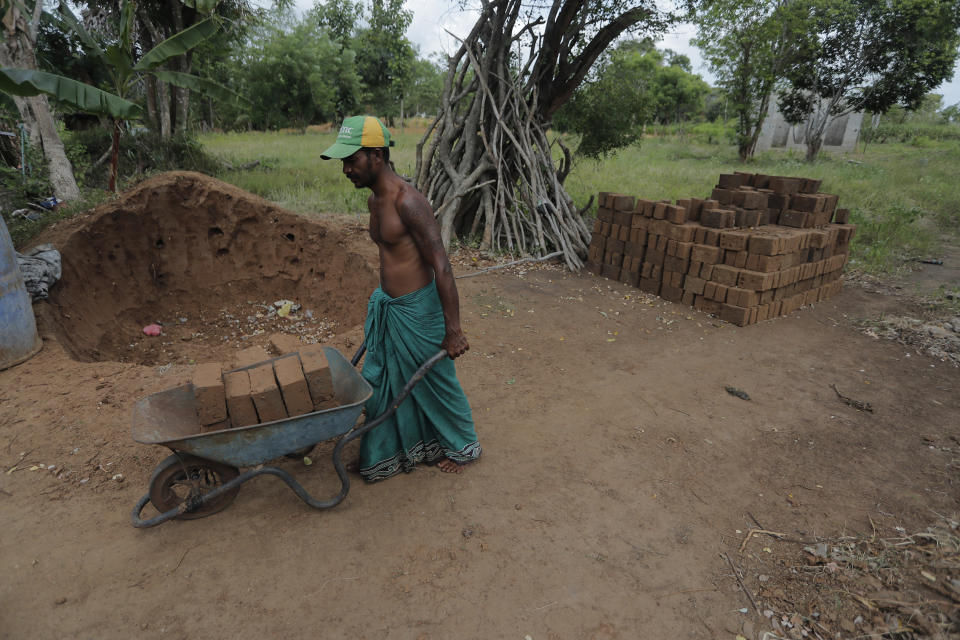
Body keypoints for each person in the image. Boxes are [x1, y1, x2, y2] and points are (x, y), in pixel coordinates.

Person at [320, 115, 481, 482]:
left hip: (419, 312)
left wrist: (453, 329)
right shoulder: (376, 200)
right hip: (390, 309)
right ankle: (384, 452)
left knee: (437, 383)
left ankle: (465, 445)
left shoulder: (410, 202)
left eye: (351, 160)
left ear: (376, 155)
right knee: (381, 385)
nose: (345, 170)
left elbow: (441, 264)